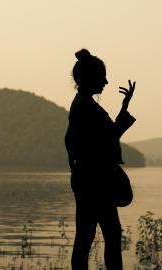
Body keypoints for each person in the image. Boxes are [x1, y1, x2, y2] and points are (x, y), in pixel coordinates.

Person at [65, 49, 136, 270]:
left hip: (89, 178)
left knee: (89, 236)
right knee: (107, 236)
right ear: (90, 79)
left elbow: (76, 142)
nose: (106, 81)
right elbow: (108, 138)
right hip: (95, 180)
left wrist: (124, 109)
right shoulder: (86, 107)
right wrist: (124, 111)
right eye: (102, 76)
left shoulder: (82, 104)